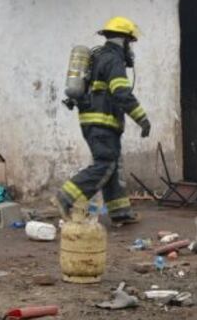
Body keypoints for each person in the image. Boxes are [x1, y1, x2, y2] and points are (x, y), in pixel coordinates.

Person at [54, 16, 151, 224]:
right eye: (130, 43)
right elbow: (121, 92)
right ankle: (67, 197)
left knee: (112, 166)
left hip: (95, 122)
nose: (131, 49)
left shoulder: (99, 57)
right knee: (105, 164)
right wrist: (142, 118)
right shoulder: (113, 60)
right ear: (123, 41)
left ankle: (120, 212)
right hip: (102, 122)